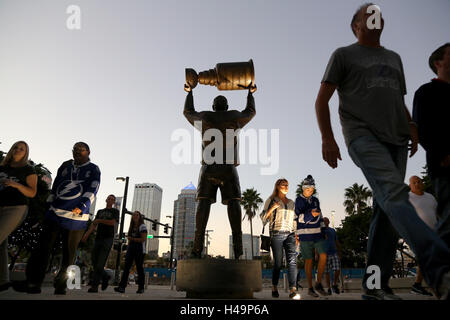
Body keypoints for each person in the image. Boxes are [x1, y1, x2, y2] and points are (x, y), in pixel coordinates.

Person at [315, 3, 450, 299]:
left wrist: (411, 127)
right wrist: (328, 138)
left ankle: (374, 286)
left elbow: (397, 99)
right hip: (362, 135)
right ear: (356, 26)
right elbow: (322, 100)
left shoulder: (394, 58)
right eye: (368, 14)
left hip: (397, 140)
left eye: (379, 14)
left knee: (384, 213)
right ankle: (439, 265)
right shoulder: (343, 55)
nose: (376, 17)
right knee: (394, 192)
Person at [12, 142, 101, 295]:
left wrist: (82, 205)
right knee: (42, 247)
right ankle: (33, 282)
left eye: (81, 150)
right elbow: (56, 186)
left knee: (69, 253)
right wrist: (48, 204)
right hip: (55, 213)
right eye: (75, 149)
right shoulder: (65, 166)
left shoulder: (93, 169)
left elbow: (93, 188)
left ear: (88, 152)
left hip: (76, 219)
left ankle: (61, 284)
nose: (77, 152)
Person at [183, 81, 256, 259]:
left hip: (208, 167)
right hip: (228, 168)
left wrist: (190, 92)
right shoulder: (234, 117)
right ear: (227, 106)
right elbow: (250, 112)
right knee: (234, 204)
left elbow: (188, 112)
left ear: (213, 106)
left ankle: (197, 250)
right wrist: (250, 93)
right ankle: (238, 251)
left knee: (203, 204)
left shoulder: (206, 117)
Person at [413, 43, 450, 247]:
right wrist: (443, 155)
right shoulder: (427, 92)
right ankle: (440, 272)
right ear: (438, 63)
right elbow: (423, 130)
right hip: (445, 166)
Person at [0, 141, 37, 292]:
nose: (17, 150)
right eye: (16, 147)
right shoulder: (2, 167)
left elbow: (32, 193)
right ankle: (3, 281)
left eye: (22, 149)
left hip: (16, 208)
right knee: (1, 243)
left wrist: (16, 185)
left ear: (25, 153)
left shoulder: (28, 170)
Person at [260, 179, 300, 300]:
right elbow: (263, 218)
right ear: (277, 186)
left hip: (290, 235)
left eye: (287, 185)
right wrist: (272, 208)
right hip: (276, 234)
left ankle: (293, 289)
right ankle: (274, 286)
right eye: (283, 185)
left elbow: (294, 220)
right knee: (278, 263)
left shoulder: (292, 202)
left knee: (292, 261)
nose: (286, 187)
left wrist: (297, 234)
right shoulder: (271, 200)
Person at [295, 175, 328, 297]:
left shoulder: (315, 200)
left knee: (323, 256)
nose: (311, 191)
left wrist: (323, 229)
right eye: (308, 189)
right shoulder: (299, 200)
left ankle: (318, 283)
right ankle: (310, 287)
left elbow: (320, 214)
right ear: (303, 189)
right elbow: (299, 218)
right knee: (308, 261)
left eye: (312, 188)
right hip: (305, 236)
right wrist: (311, 214)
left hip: (317, 234)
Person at [81, 194, 119, 293]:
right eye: (109, 198)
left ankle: (94, 287)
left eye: (112, 199)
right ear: (106, 200)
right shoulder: (100, 212)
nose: (110, 200)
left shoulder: (115, 211)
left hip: (108, 239)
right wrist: (86, 235)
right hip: (98, 238)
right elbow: (93, 225)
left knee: (100, 264)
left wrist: (99, 220)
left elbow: (112, 223)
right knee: (94, 261)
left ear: (114, 202)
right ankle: (106, 276)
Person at [408, 176, 437, 296]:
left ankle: (417, 285)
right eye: (414, 182)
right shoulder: (408, 198)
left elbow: (437, 212)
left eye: (419, 181)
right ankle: (420, 285)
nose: (417, 184)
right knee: (425, 258)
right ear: (410, 186)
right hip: (418, 233)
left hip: (434, 233)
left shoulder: (430, 197)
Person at [114, 211, 147, 294]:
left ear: (140, 217)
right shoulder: (131, 226)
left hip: (139, 249)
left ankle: (141, 288)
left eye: (137, 215)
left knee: (139, 269)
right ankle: (122, 287)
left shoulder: (142, 226)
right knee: (126, 267)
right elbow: (129, 238)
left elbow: (143, 239)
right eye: (134, 215)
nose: (135, 216)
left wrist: (132, 239)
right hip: (131, 248)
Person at [323, 217, 342, 295]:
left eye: (326, 220)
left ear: (329, 222)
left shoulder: (332, 230)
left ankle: (334, 284)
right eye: (324, 221)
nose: (325, 222)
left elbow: (336, 241)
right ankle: (329, 288)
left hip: (334, 252)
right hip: (324, 253)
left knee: (337, 268)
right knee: (326, 272)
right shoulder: (321, 231)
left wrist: (340, 251)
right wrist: (316, 254)